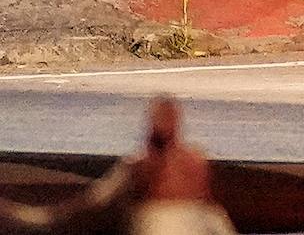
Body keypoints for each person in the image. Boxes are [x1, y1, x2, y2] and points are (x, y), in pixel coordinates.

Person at [0, 97, 235, 235]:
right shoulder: (140, 164)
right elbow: (96, 200)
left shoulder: (191, 161)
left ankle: (38, 218)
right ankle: (38, 218)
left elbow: (96, 200)